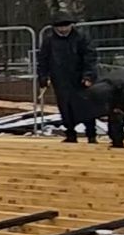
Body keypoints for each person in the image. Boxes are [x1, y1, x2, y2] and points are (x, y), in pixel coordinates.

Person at [37, 14, 99, 143]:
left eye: (66, 26)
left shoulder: (81, 38)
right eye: (59, 27)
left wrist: (88, 75)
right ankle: (70, 133)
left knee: (86, 105)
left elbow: (90, 57)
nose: (63, 29)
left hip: (79, 77)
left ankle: (91, 134)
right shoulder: (49, 41)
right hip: (60, 78)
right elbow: (43, 60)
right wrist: (43, 76)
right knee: (65, 106)